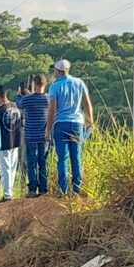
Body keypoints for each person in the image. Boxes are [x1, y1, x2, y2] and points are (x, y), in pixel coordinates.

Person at [46, 59, 94, 196]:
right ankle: (77, 189)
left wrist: (48, 130)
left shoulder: (55, 86)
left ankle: (63, 190)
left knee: (63, 158)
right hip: (77, 123)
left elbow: (52, 110)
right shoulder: (79, 83)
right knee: (76, 157)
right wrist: (91, 122)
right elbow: (87, 104)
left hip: (61, 123)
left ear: (58, 71)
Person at [17, 74, 51, 197]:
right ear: (45, 84)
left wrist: (21, 94)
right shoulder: (49, 98)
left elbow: (19, 104)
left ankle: (32, 189)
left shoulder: (28, 99)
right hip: (44, 135)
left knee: (32, 163)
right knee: (43, 162)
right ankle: (43, 189)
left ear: (34, 84)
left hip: (30, 135)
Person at [0, 85, 22, 202]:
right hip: (16, 141)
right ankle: (9, 192)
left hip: (4, 143)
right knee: (12, 168)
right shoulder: (16, 106)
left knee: (5, 169)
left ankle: (7, 195)